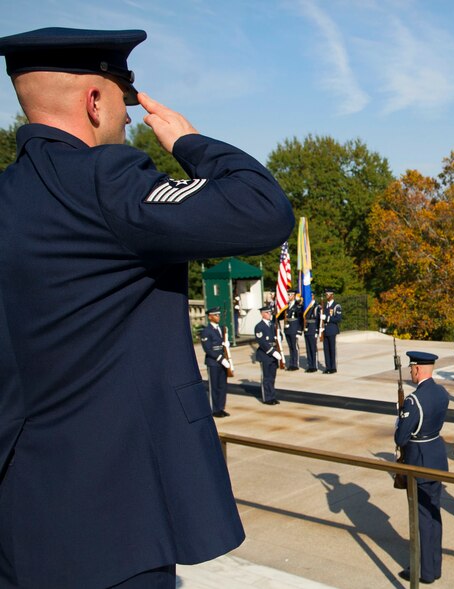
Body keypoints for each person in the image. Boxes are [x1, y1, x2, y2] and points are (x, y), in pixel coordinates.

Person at [0, 27, 294, 588]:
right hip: (114, 523)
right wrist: (190, 142)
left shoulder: (10, 196)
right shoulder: (103, 181)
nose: (129, 119)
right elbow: (263, 210)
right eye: (123, 101)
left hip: (21, 520)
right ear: (93, 101)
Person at [395, 351, 449, 584]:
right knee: (433, 513)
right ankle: (434, 565)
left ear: (417, 369)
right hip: (436, 455)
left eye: (411, 368)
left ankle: (424, 571)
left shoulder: (413, 400)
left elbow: (401, 437)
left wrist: (399, 421)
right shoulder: (441, 393)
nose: (410, 372)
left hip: (419, 461)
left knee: (423, 518)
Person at [200, 307, 231, 417]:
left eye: (218, 315)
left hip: (223, 361)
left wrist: (227, 345)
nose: (218, 317)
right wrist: (221, 359)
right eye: (215, 315)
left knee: (223, 386)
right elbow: (208, 349)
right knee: (214, 386)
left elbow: (224, 344)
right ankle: (214, 409)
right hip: (213, 362)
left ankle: (221, 408)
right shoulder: (206, 331)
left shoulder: (221, 329)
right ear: (210, 317)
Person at [255, 305, 283, 405]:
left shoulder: (273, 325)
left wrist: (279, 336)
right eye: (267, 313)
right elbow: (262, 342)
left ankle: (272, 396)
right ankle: (267, 398)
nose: (269, 314)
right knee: (266, 377)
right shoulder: (259, 326)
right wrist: (273, 352)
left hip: (274, 353)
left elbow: (279, 338)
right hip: (265, 355)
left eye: (270, 312)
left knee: (272, 377)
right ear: (262, 314)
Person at [322, 287, 342, 373]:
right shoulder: (325, 306)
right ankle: (328, 367)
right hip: (325, 329)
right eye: (326, 294)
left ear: (332, 295)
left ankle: (333, 367)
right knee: (326, 349)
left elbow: (338, 318)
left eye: (328, 294)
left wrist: (327, 318)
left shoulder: (336, 306)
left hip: (332, 329)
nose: (326, 296)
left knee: (332, 349)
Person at [284, 289, 303, 371]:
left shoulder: (297, 306)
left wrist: (299, 330)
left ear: (294, 296)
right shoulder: (286, 305)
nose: (289, 296)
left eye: (290, 295)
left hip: (294, 328)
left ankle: (295, 364)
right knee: (290, 347)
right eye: (288, 295)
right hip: (288, 328)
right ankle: (291, 363)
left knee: (294, 347)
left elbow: (300, 319)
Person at [303, 295, 321, 372]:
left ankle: (314, 366)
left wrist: (317, 331)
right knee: (308, 348)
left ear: (313, 296)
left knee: (313, 348)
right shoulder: (306, 306)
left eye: (311, 295)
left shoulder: (316, 307)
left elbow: (318, 320)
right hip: (307, 329)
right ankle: (310, 365)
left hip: (313, 328)